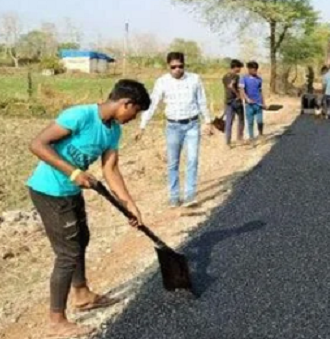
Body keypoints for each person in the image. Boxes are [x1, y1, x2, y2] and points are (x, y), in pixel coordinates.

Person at [27, 79, 150, 338]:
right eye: (135, 112)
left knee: (81, 239)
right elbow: (37, 144)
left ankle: (82, 295)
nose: (133, 118)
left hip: (70, 191)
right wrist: (74, 173)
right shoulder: (80, 116)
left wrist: (129, 204)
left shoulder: (113, 131)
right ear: (126, 104)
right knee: (67, 253)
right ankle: (56, 321)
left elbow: (110, 170)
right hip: (49, 190)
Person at [137, 52, 213, 208]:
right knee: (173, 163)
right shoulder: (162, 82)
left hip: (192, 124)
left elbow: (201, 101)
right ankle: (174, 196)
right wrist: (142, 125)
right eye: (173, 67)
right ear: (168, 66)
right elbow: (153, 103)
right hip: (173, 127)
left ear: (184, 65)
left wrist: (208, 121)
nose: (177, 69)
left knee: (192, 160)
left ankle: (190, 196)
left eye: (180, 66)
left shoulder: (194, 79)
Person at [239, 61, 266, 141]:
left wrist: (264, 103)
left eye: (256, 69)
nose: (255, 71)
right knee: (250, 122)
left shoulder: (259, 79)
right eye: (254, 69)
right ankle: (251, 138)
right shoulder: (243, 78)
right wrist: (247, 99)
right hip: (249, 105)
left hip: (258, 104)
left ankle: (261, 134)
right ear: (249, 69)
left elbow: (260, 91)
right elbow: (241, 90)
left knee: (260, 121)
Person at [222, 59, 245, 147]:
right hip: (235, 101)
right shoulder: (236, 77)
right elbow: (231, 86)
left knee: (229, 121)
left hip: (227, 101)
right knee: (241, 119)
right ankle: (239, 138)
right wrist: (238, 95)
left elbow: (227, 87)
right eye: (239, 67)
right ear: (235, 67)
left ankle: (228, 142)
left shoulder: (225, 76)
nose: (240, 69)